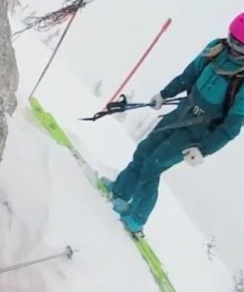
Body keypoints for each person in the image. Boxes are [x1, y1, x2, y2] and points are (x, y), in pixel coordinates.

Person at [104, 14, 244, 234]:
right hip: (181, 113)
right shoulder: (216, 48)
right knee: (144, 152)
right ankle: (120, 190)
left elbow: (231, 128)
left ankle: (136, 218)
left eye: (241, 46)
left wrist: (203, 150)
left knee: (154, 165)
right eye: (232, 39)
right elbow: (188, 76)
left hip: (198, 131)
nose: (234, 48)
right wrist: (164, 94)